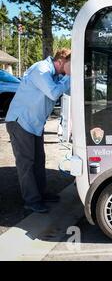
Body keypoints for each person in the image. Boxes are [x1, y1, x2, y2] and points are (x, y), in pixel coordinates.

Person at [5, 49, 71, 213]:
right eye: (72, 64)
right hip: (21, 122)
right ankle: (31, 200)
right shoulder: (41, 69)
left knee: (39, 160)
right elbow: (54, 92)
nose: (73, 68)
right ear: (61, 61)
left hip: (34, 123)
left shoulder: (56, 75)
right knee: (26, 163)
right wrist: (70, 76)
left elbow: (66, 91)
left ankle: (40, 193)